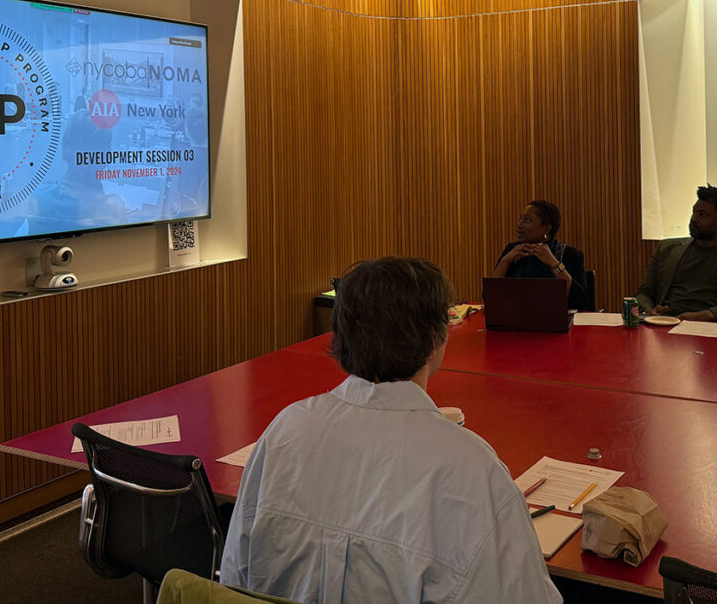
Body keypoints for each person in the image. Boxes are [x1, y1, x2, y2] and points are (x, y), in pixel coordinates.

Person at [220, 257, 562, 604]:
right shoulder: (473, 470)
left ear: (341, 334)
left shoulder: (285, 431)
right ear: (435, 339)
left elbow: (233, 577)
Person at [635, 184, 717, 322]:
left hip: (713, 327)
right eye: (694, 212)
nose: (694, 219)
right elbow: (644, 293)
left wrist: (708, 315)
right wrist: (649, 310)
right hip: (667, 323)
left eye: (703, 215)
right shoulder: (667, 248)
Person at [493, 200, 588, 311]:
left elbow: (580, 302)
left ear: (547, 228)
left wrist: (554, 264)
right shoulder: (512, 250)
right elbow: (489, 296)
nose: (519, 225)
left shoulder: (569, 254)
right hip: (514, 319)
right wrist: (505, 261)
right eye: (520, 219)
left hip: (553, 322)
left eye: (527, 220)